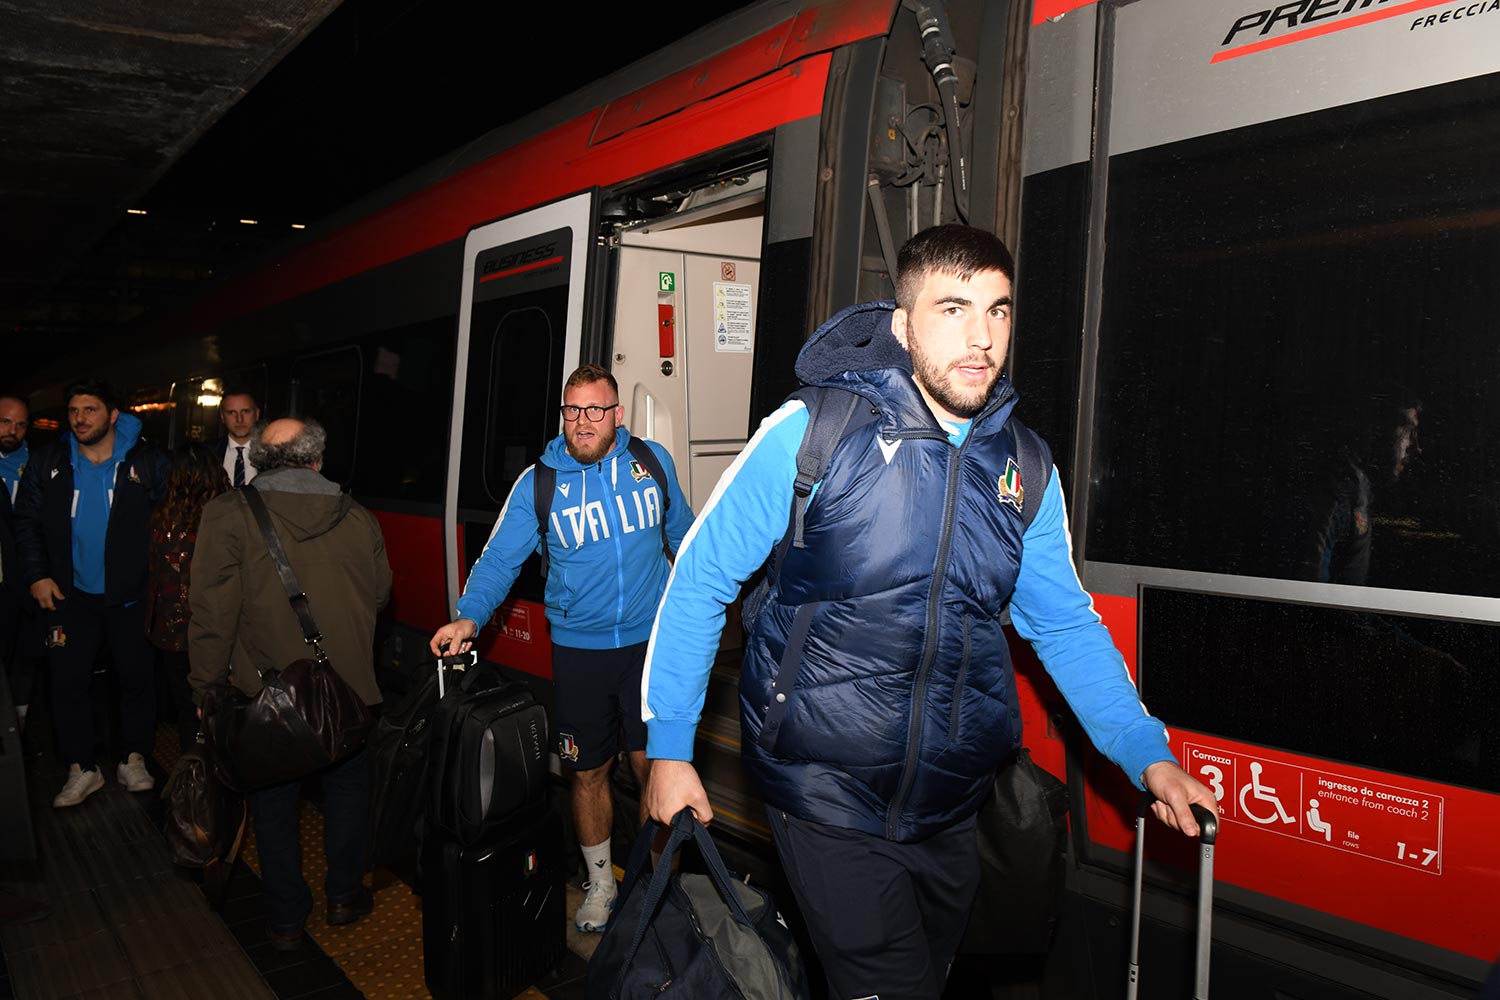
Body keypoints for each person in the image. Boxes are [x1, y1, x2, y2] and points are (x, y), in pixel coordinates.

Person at [642, 224, 1217, 999]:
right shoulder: (815, 432)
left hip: (952, 804)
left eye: (1000, 310)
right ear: (904, 324)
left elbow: (1065, 624)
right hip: (823, 789)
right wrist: (671, 750)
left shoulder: (1025, 467)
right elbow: (702, 578)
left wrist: (1147, 753)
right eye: (953, 309)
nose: (982, 337)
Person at [429, 363, 693, 933]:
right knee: (589, 773)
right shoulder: (539, 482)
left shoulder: (652, 464)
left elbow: (684, 540)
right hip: (581, 653)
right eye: (573, 411)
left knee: (656, 768)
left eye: (596, 410)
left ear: (617, 415)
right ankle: (600, 883)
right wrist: (468, 617)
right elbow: (500, 558)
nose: (583, 422)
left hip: (650, 645)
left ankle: (659, 889)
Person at [188, 418, 391, 951]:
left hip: (267, 698)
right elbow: (379, 596)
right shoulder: (358, 515)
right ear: (317, 459)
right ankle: (345, 896)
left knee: (274, 803)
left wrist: (205, 690)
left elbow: (212, 615)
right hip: (346, 694)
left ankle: (285, 919)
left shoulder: (228, 515)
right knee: (348, 791)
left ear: (258, 460)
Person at [13, 379, 167, 808]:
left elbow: (170, 523)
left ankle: (133, 757)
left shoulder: (147, 462)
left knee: (136, 679)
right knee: (67, 683)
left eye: (90, 410)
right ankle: (82, 767)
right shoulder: (50, 462)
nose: (80, 419)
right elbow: (25, 523)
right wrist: (37, 575)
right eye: (75, 411)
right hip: (68, 595)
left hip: (131, 596)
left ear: (113, 415)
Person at [145, 442, 231, 753]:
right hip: (220, 627)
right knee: (222, 708)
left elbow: (155, 574)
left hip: (174, 632)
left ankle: (193, 783)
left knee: (187, 710)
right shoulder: (229, 516)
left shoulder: (162, 517)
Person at [0, 395, 35, 731]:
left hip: (25, 577)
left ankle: (18, 725)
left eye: (20, 424)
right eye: (5, 421)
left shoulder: (36, 464)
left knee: (25, 653)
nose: (13, 430)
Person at [216, 389, 262, 487]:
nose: (239, 419)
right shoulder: (209, 453)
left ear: (257, 414)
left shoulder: (272, 453)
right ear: (222, 416)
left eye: (245, 411)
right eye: (232, 413)